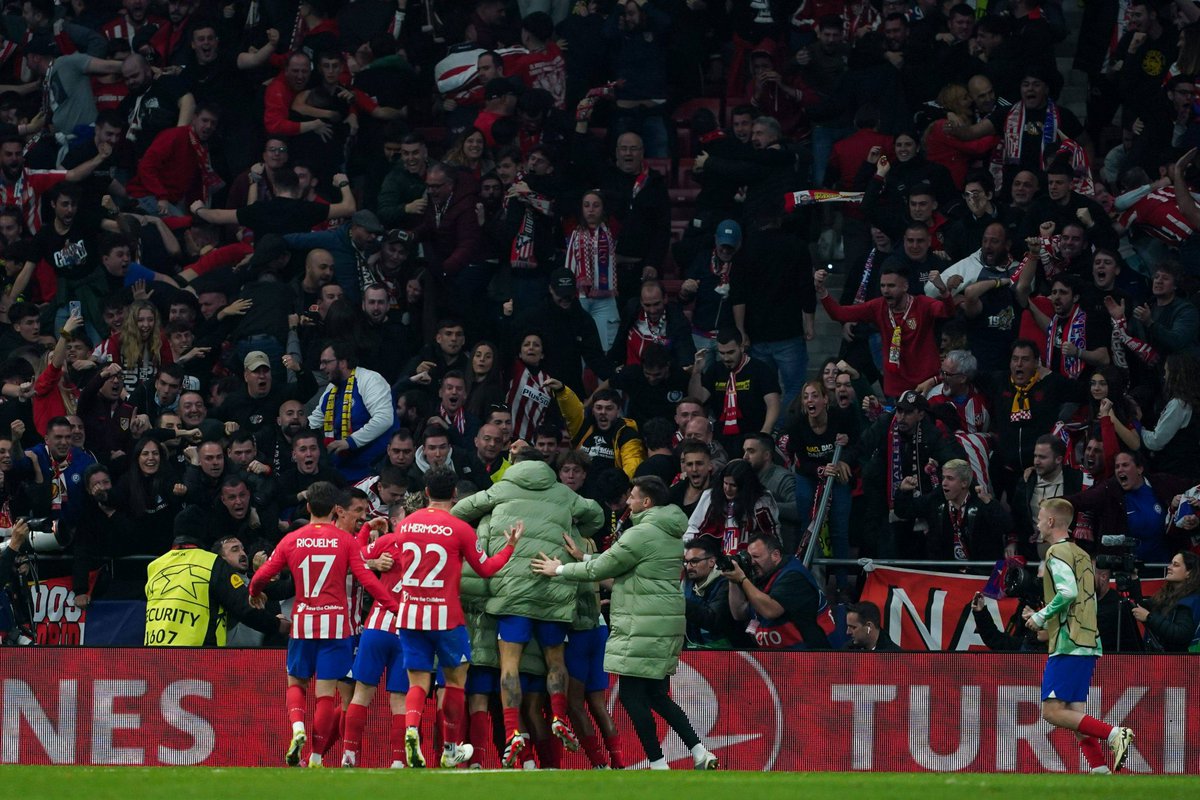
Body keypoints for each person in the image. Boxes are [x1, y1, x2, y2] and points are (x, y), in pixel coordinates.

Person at [531, 476, 719, 770]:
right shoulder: (668, 532)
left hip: (642, 624)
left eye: (632, 497)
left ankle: (657, 763)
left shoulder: (640, 533)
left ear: (646, 502)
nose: (628, 502)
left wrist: (561, 569)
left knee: (632, 697)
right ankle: (699, 752)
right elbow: (626, 567)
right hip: (663, 622)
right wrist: (585, 556)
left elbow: (605, 567)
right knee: (657, 696)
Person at [344, 467, 523, 769]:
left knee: (416, 683)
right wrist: (510, 547)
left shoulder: (405, 526)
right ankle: (451, 748)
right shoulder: (460, 529)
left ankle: (412, 729)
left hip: (409, 616)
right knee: (454, 681)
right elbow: (487, 569)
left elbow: (367, 556)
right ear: (454, 494)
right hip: (447, 617)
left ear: (426, 492)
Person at [451, 446, 604, 767]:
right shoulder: (563, 493)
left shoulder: (501, 488)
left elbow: (459, 512)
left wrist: (488, 521)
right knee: (555, 659)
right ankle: (560, 715)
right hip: (554, 586)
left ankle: (512, 732)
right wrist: (575, 531)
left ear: (516, 466)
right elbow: (598, 515)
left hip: (511, 592)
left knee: (510, 664)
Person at [248, 482, 400, 768]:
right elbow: (368, 581)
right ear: (335, 510)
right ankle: (316, 756)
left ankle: (297, 728)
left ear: (308, 507)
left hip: (304, 623)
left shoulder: (293, 538)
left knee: (296, 682)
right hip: (338, 627)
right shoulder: (345, 542)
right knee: (326, 695)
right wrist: (395, 608)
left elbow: (265, 574)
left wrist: (254, 591)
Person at [1023, 498, 1135, 774]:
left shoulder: (1056, 553)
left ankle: (1113, 734)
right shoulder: (1082, 554)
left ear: (1050, 521)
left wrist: (1040, 617)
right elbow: (1090, 598)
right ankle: (1100, 770)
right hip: (1086, 639)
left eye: (1040, 517)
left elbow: (1068, 593)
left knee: (1051, 712)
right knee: (1073, 713)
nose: (1037, 523)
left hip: (1069, 641)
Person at [144, 506, 285, 647]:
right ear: (203, 531)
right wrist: (277, 625)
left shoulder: (155, 566)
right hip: (199, 657)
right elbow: (244, 608)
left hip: (154, 655)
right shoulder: (212, 563)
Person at [721, 532, 833, 650]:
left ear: (775, 555)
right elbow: (739, 613)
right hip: (776, 657)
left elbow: (770, 610)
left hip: (808, 656)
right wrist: (732, 578)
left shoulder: (794, 576)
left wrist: (742, 579)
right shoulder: (761, 575)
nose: (752, 562)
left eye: (756, 557)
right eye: (750, 557)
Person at [308, 341, 397, 481]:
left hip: (373, 469)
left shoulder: (370, 379)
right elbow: (314, 421)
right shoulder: (331, 388)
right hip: (341, 470)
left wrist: (350, 442)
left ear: (343, 362)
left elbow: (384, 419)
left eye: (326, 362)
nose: (321, 367)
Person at [682, 537, 746, 649]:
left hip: (724, 655)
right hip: (692, 655)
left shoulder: (727, 582)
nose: (688, 567)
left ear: (711, 562)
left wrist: (680, 602)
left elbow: (714, 620)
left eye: (694, 561)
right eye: (686, 562)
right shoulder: (686, 583)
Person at [1130, 551, 1200, 653]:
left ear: (1189, 573)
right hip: (1160, 660)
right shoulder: (1165, 595)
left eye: (1175, 565)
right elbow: (1140, 607)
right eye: (1171, 563)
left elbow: (1181, 634)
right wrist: (1134, 578)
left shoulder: (1192, 600)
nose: (1169, 567)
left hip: (1178, 663)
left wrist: (1149, 617)